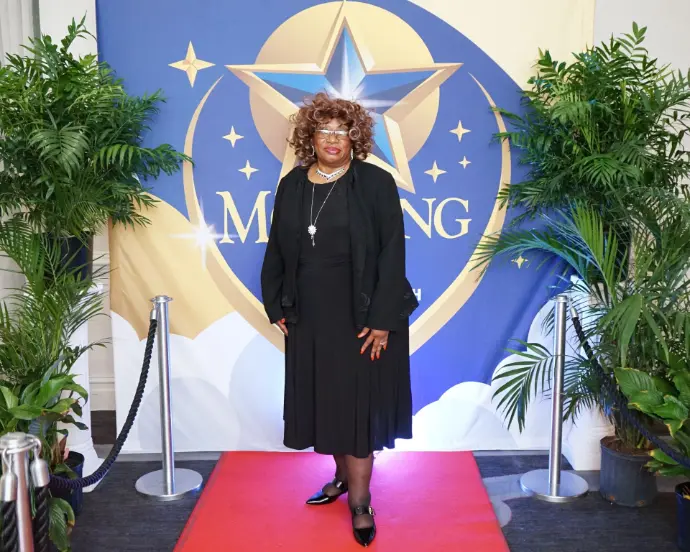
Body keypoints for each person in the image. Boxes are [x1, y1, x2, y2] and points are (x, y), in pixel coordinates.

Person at [261, 92, 418, 547]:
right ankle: (342, 478)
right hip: (309, 313)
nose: (333, 138)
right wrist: (277, 305)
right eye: (324, 130)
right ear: (310, 136)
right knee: (325, 402)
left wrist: (384, 319)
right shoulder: (292, 184)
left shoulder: (374, 182)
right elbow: (277, 248)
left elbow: (392, 253)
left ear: (355, 137)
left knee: (357, 407)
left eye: (342, 130)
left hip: (362, 315)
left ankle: (361, 502)